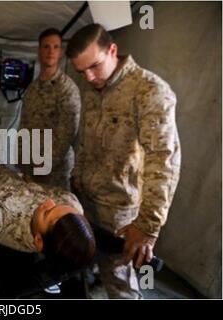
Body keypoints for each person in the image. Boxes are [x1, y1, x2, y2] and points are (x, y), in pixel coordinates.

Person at [66, 24, 181, 298]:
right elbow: (85, 141)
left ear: (113, 50)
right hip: (87, 200)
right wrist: (77, 177)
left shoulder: (149, 90)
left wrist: (147, 226)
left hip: (119, 211)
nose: (89, 77)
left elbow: (163, 160)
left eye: (94, 66)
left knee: (119, 282)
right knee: (90, 263)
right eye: (81, 72)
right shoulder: (94, 89)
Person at [18, 28, 81, 190]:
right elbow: (23, 125)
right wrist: (21, 159)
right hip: (29, 167)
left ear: (61, 52)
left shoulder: (67, 89)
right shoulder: (32, 88)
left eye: (55, 47)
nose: (50, 51)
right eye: (46, 46)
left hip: (53, 173)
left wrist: (43, 164)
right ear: (39, 51)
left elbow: (66, 135)